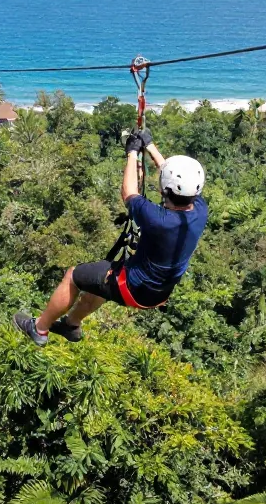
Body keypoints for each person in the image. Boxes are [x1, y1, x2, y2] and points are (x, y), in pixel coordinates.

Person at [14, 128, 207, 344]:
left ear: (166, 189)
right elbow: (170, 177)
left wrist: (132, 152)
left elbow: (128, 192)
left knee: (74, 276)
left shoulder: (158, 219)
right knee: (97, 285)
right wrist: (149, 145)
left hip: (133, 288)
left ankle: (39, 329)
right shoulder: (199, 209)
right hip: (159, 293)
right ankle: (71, 325)